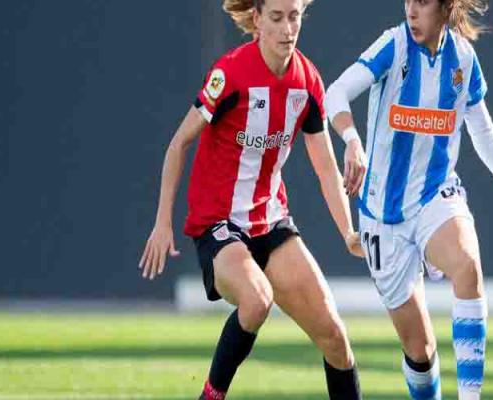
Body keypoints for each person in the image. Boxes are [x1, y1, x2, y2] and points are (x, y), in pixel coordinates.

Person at [324, 0, 493, 398]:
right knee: (420, 349)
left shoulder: (463, 59)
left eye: (424, 2)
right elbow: (336, 93)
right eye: (408, 1)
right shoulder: (393, 46)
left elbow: (485, 137)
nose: (412, 10)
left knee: (468, 265)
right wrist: (351, 141)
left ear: (446, 7)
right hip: (383, 215)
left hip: (435, 195)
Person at [138, 0, 367, 398]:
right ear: (257, 19)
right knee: (257, 299)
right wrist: (162, 222)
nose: (286, 29)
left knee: (335, 339)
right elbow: (178, 144)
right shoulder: (230, 73)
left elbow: (326, 167)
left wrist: (348, 231)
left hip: (272, 223)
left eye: (294, 16)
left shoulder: (308, 82)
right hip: (218, 225)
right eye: (276, 17)